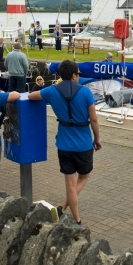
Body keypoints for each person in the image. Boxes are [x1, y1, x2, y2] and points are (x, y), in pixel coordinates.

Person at [28, 60, 102, 225]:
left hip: (63, 143)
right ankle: (65, 210)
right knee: (84, 176)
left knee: (70, 183)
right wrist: (97, 139)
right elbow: (94, 120)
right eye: (78, 74)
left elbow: (32, 96)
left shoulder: (51, 91)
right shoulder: (85, 92)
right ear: (74, 75)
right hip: (83, 144)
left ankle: (74, 217)